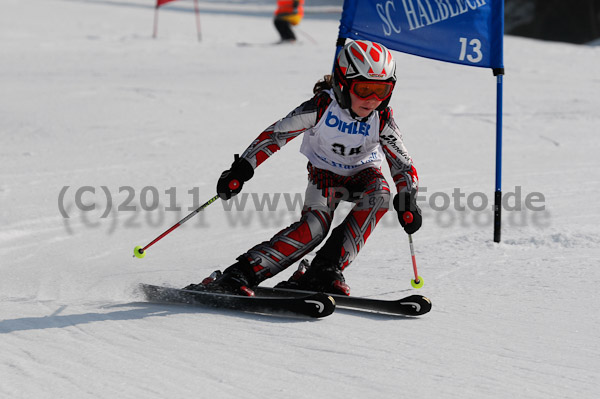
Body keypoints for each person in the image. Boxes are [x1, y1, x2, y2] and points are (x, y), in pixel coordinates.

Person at [184, 40, 422, 296]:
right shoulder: (321, 108)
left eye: (382, 90)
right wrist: (242, 169)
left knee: (381, 195)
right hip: (325, 177)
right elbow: (276, 135)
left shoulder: (382, 118)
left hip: (364, 174)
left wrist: (408, 198)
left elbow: (402, 164)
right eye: (364, 89)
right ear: (343, 84)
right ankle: (241, 274)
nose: (373, 100)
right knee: (314, 229)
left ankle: (324, 271)